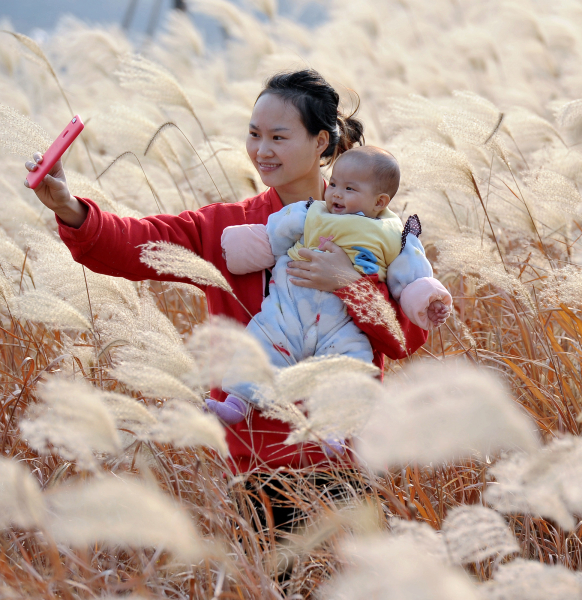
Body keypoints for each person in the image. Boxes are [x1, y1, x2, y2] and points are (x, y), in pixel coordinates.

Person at [23, 69, 429, 527]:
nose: (262, 150)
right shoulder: (226, 227)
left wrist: (348, 283)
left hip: (342, 451)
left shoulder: (377, 228)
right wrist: (69, 208)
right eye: (254, 134)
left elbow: (406, 337)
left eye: (279, 136)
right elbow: (138, 243)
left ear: (321, 143)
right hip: (255, 457)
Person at [209, 146, 451, 424]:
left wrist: (428, 301)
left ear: (379, 201)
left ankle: (336, 428)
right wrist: (240, 249)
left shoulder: (395, 236)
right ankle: (237, 403)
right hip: (289, 308)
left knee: (351, 364)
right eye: (333, 183)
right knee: (260, 344)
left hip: (342, 323)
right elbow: (274, 233)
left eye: (349, 188)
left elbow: (412, 277)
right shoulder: (312, 212)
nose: (335, 193)